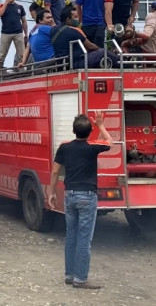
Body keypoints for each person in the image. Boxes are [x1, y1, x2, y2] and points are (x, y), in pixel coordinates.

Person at [47, 111, 112, 289]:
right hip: (87, 197)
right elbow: (109, 142)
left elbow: (55, 172)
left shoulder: (64, 147)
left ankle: (69, 275)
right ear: (90, 132)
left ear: (73, 130)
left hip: (70, 195)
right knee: (84, 238)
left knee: (71, 236)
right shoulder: (92, 147)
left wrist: (51, 192)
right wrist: (101, 125)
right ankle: (80, 279)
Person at [50, 5, 119, 69]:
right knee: (102, 52)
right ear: (68, 19)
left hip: (62, 63)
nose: (78, 19)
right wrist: (100, 50)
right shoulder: (73, 31)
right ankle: (124, 63)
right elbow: (90, 46)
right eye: (76, 17)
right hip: (76, 63)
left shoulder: (53, 30)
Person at [0, 0, 27, 72]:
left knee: (21, 55)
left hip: (18, 33)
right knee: (2, 55)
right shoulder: (1, 6)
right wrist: (6, 3)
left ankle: (22, 71)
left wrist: (26, 34)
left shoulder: (20, 7)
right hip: (6, 33)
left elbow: (24, 21)